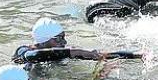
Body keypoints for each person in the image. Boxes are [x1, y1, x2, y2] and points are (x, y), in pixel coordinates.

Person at [13, 18, 142, 66]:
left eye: (63, 37)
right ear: (44, 40)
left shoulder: (63, 52)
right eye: (59, 39)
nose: (64, 41)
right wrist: (72, 52)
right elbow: (32, 57)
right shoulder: (24, 51)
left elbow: (97, 55)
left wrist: (137, 55)